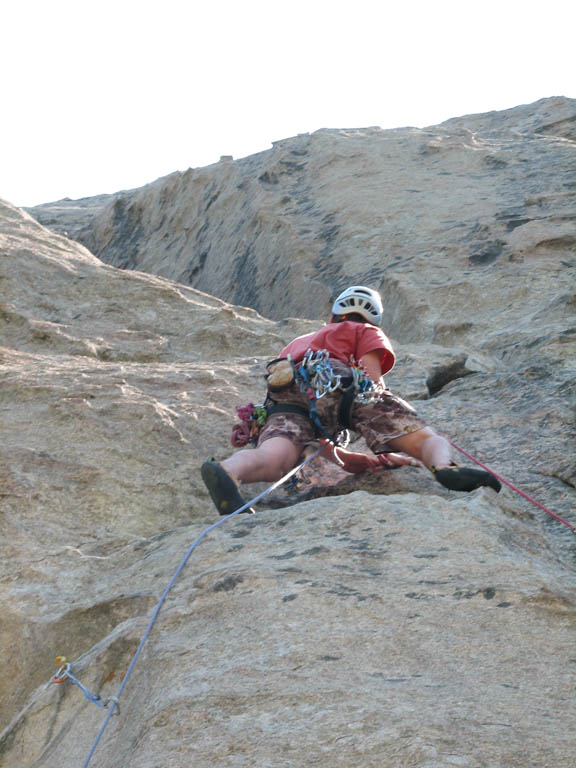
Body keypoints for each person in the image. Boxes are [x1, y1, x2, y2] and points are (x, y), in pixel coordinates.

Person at [201, 286, 501, 515]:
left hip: (285, 395)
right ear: (374, 319)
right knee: (423, 438)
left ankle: (229, 471)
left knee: (275, 457)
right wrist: (386, 420)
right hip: (338, 381)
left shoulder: (301, 341)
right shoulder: (364, 329)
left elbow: (318, 436)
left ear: (332, 316)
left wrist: (359, 460)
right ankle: (445, 467)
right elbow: (371, 382)